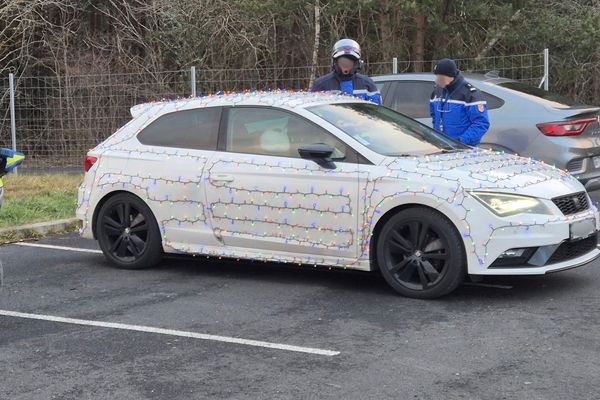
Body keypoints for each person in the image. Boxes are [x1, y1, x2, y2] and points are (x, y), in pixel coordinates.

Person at [429, 58, 490, 146]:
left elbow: (481, 123)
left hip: (463, 148)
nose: (436, 80)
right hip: (441, 146)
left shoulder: (470, 93)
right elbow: (434, 117)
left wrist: (460, 142)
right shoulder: (437, 92)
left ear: (449, 76)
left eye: (440, 77)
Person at [311, 39, 381, 105]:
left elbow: (376, 110)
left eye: (349, 62)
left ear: (357, 63)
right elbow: (311, 111)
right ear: (334, 63)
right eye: (342, 62)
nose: (346, 66)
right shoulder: (321, 85)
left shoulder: (367, 84)